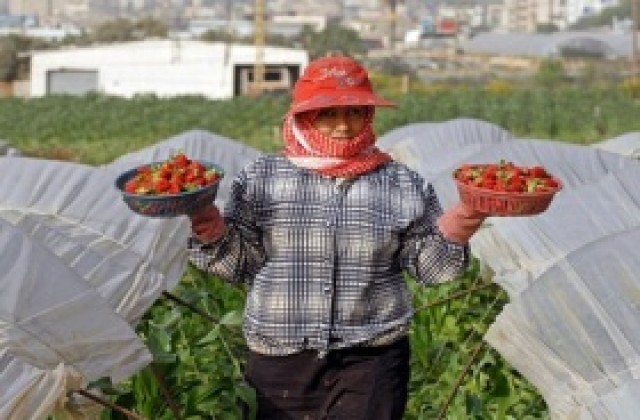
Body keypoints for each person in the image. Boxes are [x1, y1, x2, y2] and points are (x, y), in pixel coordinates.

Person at [188, 55, 486, 419]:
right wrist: (208, 223)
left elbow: (430, 269)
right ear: (302, 116)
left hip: (371, 358)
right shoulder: (261, 179)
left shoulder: (402, 183)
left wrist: (466, 216)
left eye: (356, 112)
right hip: (280, 357)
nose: (344, 126)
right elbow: (240, 263)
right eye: (328, 114)